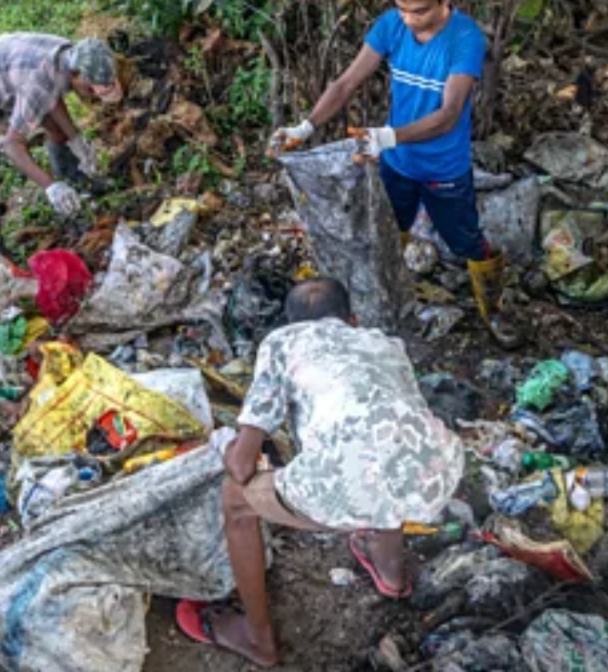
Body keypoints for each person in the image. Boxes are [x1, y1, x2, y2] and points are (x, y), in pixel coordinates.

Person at [177, 277, 464, 667]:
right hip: (439, 469)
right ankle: (392, 573)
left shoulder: (281, 344)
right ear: (352, 318)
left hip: (353, 477)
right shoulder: (384, 343)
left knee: (235, 498)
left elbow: (243, 465)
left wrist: (226, 444)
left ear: (290, 324)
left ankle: (257, 638)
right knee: (384, 453)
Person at [270, 0, 519, 347]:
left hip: (442, 167)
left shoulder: (465, 39)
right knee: (388, 230)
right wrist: (304, 127)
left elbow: (449, 114)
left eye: (419, 11)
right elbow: (345, 83)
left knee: (466, 241)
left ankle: (495, 309)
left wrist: (387, 137)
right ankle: (392, 302)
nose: (408, 19)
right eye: (402, 9)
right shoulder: (391, 26)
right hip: (397, 163)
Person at [0, 32, 124, 246]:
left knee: (58, 131)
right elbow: (12, 144)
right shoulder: (39, 81)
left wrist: (75, 139)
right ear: (75, 73)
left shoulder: (67, 53)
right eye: (89, 87)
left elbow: (52, 97)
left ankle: (75, 180)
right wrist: (50, 186)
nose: (90, 93)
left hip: (0, 73)